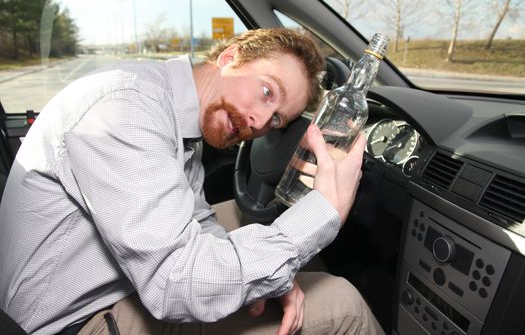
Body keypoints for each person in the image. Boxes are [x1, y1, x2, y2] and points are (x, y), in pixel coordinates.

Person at [0, 28, 384, 335]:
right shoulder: (125, 108)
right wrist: (324, 211)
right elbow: (175, 283)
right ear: (230, 58)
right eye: (267, 92)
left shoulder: (177, 113)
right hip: (72, 322)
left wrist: (274, 278)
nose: (260, 123)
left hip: (104, 290)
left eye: (278, 120)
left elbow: (197, 219)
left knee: (242, 224)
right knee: (343, 302)